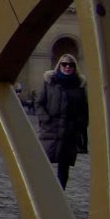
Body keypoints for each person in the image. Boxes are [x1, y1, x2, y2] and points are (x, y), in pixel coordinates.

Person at [36, 53, 88, 188]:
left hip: (69, 132)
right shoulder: (50, 82)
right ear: (59, 66)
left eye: (71, 65)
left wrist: (78, 125)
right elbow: (40, 103)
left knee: (64, 168)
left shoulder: (79, 86)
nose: (67, 67)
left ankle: (59, 193)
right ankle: (43, 191)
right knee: (44, 164)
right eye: (64, 64)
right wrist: (45, 119)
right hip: (51, 130)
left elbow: (84, 109)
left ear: (75, 67)